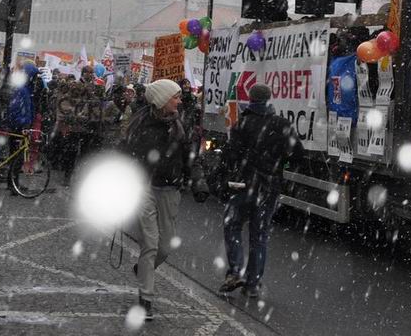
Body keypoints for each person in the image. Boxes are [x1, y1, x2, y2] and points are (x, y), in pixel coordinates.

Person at [125, 79, 209, 321]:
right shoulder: (139, 123)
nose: (180, 101)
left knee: (164, 247)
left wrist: (199, 181)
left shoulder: (181, 125)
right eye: (176, 97)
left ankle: (143, 269)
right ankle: (145, 299)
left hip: (170, 189)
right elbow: (124, 154)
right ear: (162, 99)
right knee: (150, 245)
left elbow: (191, 157)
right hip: (144, 188)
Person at [218, 84, 303, 298]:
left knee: (232, 225)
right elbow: (297, 154)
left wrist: (225, 175)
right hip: (269, 187)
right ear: (269, 98)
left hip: (243, 185)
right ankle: (252, 284)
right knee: (259, 235)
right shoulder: (282, 124)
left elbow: (230, 156)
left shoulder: (242, 124)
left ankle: (235, 270)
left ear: (251, 98)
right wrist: (280, 164)